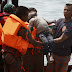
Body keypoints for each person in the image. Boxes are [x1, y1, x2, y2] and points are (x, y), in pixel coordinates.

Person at [1, 6, 43, 72]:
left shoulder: (10, 21)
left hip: (5, 53)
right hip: (14, 55)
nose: (28, 17)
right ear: (22, 16)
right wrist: (44, 43)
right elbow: (33, 42)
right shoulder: (21, 28)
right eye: (27, 15)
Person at [47, 3, 72, 72]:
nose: (65, 11)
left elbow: (61, 39)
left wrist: (48, 41)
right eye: (64, 10)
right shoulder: (60, 20)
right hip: (54, 52)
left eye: (68, 10)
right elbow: (53, 32)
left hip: (64, 54)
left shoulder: (70, 25)